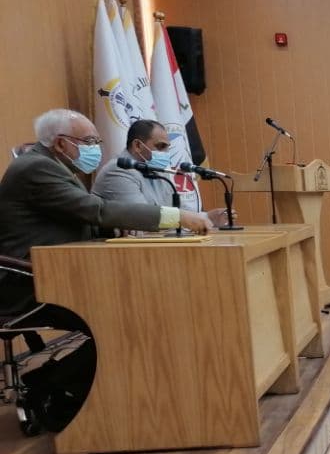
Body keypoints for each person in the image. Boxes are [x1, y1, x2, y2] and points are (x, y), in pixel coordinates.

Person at [0, 109, 211, 430]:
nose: (97, 148)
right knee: (134, 318)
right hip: (30, 284)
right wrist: (176, 217)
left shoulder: (53, 165)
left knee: (145, 312)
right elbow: (94, 210)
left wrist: (114, 230)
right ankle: (48, 386)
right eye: (90, 141)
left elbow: (76, 221)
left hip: (55, 275)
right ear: (61, 143)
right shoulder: (36, 168)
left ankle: (64, 387)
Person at [92, 119, 234, 228]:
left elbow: (176, 211)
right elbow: (142, 219)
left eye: (167, 148)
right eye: (160, 146)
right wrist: (189, 220)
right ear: (138, 146)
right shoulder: (118, 171)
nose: (165, 153)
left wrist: (207, 217)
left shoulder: (157, 170)